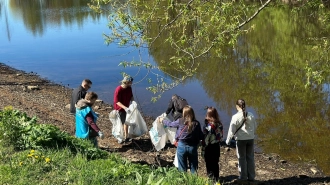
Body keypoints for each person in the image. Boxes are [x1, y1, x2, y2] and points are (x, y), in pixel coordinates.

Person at [160, 105, 203, 173]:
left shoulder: (180, 121)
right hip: (192, 148)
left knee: (182, 168)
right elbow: (201, 136)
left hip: (181, 146)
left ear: (184, 113)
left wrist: (163, 121)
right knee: (193, 167)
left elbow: (171, 124)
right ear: (192, 113)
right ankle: (194, 181)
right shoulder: (196, 123)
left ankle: (183, 181)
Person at [225, 99, 258, 183]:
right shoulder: (251, 115)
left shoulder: (235, 117)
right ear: (245, 106)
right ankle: (251, 177)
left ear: (237, 106)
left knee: (242, 158)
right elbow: (255, 126)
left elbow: (231, 130)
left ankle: (243, 177)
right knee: (250, 157)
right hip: (250, 139)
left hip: (241, 140)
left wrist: (227, 141)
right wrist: (252, 135)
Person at [201, 107, 223, 182]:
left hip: (209, 147)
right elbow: (221, 136)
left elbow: (205, 140)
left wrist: (203, 148)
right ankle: (216, 180)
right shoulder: (220, 124)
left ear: (208, 115)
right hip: (216, 147)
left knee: (209, 164)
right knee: (215, 163)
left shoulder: (207, 126)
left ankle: (211, 180)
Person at [113, 75, 134, 143]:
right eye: (130, 82)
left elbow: (131, 96)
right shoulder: (119, 89)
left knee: (126, 122)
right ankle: (120, 137)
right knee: (121, 123)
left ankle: (126, 136)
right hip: (120, 109)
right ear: (126, 82)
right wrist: (124, 107)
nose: (131, 83)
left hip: (127, 108)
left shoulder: (129, 88)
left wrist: (133, 102)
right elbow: (117, 101)